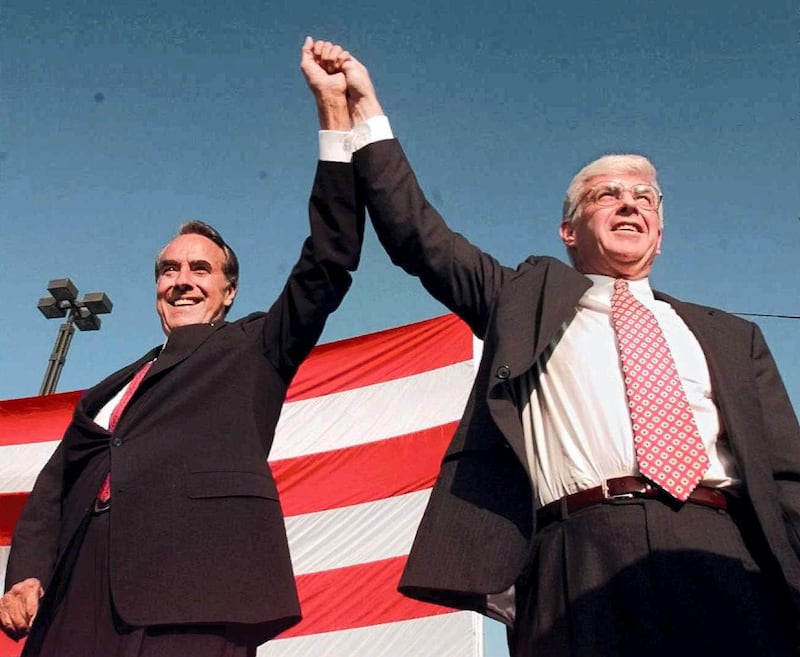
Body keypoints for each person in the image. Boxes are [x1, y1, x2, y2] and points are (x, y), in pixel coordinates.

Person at [304, 40, 800, 656]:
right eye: (606, 194)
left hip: (723, 553)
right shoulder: (523, 300)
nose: (629, 203)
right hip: (579, 557)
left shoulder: (730, 336)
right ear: (569, 230)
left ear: (661, 232)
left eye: (645, 198)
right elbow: (416, 235)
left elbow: (787, 478)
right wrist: (362, 106)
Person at [0, 38, 363, 656]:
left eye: (200, 268)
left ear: (228, 291)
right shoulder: (110, 390)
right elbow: (54, 486)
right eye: (169, 269)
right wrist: (27, 572)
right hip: (75, 602)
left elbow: (329, 260)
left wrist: (334, 114)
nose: (182, 279)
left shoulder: (253, 347)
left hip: (193, 596)